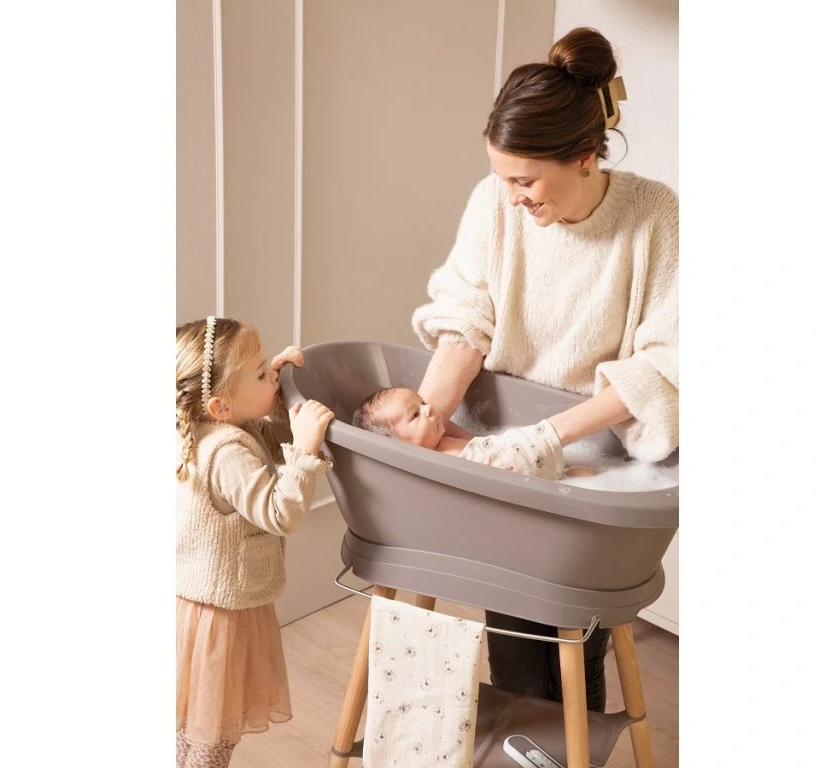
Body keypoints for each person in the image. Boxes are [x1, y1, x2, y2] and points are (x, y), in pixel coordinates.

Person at [411, 27, 678, 712]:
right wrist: (425, 417)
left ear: (585, 157)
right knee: (511, 622)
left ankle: (561, 742)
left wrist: (549, 437)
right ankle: (531, 743)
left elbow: (667, 362)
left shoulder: (654, 218)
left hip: (594, 457)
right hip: (501, 446)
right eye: (502, 178)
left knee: (568, 629)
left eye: (524, 181)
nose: (510, 198)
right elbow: (465, 318)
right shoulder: (491, 204)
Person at [175, 316, 335, 767]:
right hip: (225, 617)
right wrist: (305, 452)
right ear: (221, 405)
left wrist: (276, 395)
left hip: (200, 605)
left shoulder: (211, 428)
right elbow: (280, 512)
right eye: (262, 373)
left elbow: (265, 439)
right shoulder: (227, 453)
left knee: (194, 723)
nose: (273, 376)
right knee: (216, 734)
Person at [351, 386, 597, 479]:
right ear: (398, 446)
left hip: (523, 464)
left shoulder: (443, 439)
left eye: (422, 402)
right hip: (520, 470)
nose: (429, 408)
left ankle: (573, 476)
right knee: (572, 476)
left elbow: (477, 442)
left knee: (576, 474)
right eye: (415, 414)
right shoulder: (433, 464)